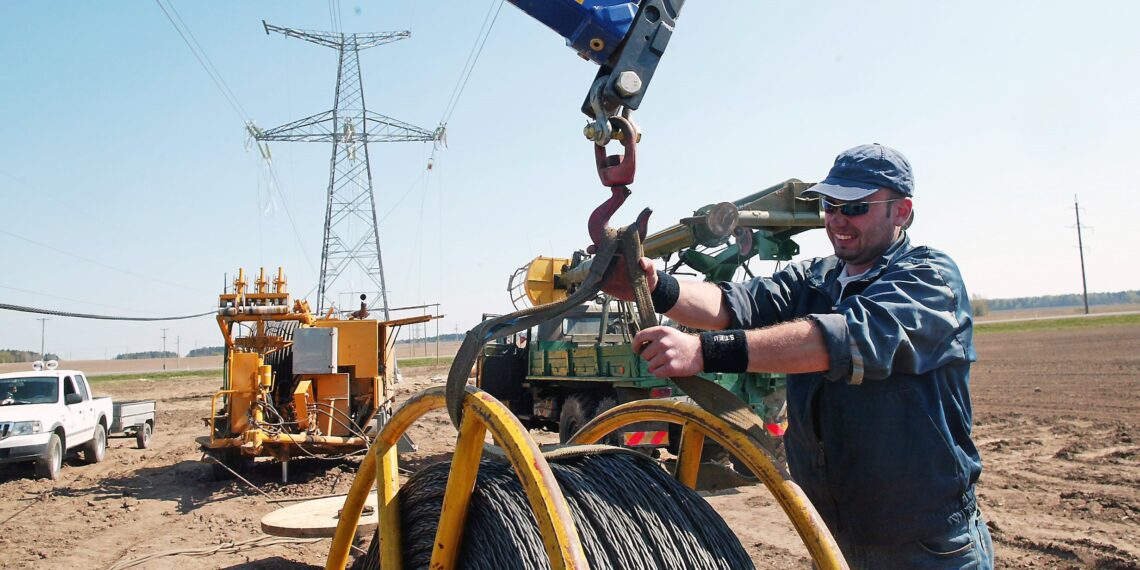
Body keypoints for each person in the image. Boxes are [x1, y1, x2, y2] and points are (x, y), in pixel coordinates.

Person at [606, 143, 993, 569]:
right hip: (833, 537)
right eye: (830, 204)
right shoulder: (816, 277)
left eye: (856, 207)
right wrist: (657, 286)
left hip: (926, 545)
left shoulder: (929, 279)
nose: (838, 219)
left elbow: (844, 340)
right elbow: (734, 304)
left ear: (900, 212)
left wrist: (704, 351)